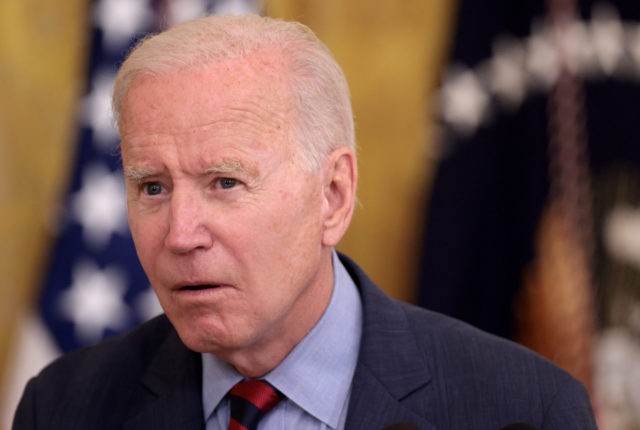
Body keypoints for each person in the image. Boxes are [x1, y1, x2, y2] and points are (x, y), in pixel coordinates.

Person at [13, 14, 597, 430]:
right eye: (153, 187)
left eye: (225, 182)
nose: (180, 233)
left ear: (334, 196)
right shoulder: (64, 406)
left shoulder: (522, 409)